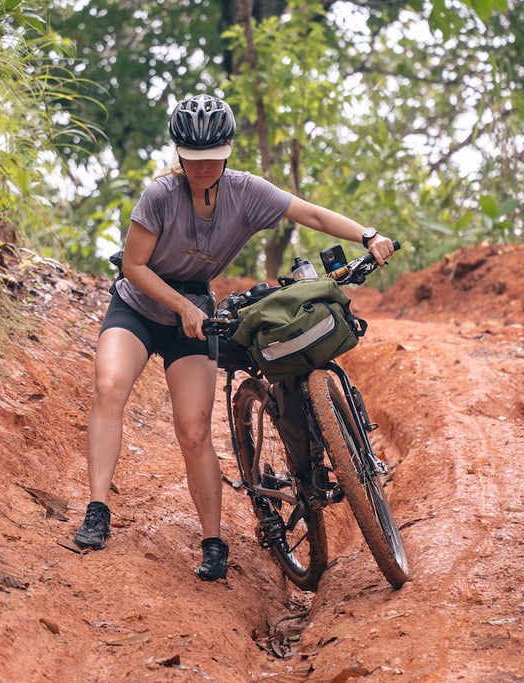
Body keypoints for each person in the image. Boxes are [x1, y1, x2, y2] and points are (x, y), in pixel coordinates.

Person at [73, 94, 395, 580]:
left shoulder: (246, 192)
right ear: (179, 155)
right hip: (138, 308)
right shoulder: (159, 196)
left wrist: (367, 234)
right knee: (109, 387)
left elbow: (310, 215)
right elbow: (134, 265)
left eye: (213, 160)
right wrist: (178, 305)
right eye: (193, 161)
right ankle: (97, 510)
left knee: (195, 429)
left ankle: (213, 542)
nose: (203, 169)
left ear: (228, 152)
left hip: (195, 317)